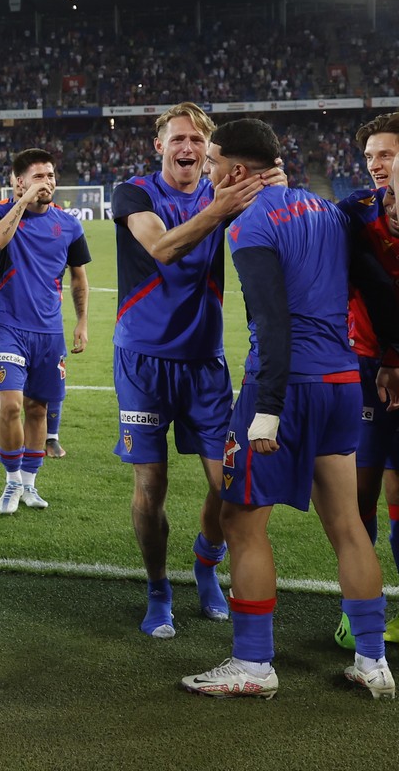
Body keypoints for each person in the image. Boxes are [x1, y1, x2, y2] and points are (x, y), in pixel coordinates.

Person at [181, 118, 393, 699]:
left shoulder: (251, 223)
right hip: (343, 382)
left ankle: (253, 665)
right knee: (348, 525)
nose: (208, 171)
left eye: (214, 163)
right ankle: (373, 662)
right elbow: (378, 290)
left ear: (239, 172)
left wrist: (266, 410)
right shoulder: (329, 211)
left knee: (239, 522)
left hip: (284, 387)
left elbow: (271, 322)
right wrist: (392, 357)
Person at [112, 102, 262, 638]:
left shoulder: (219, 193)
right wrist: (221, 209)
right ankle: (158, 590)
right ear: (160, 146)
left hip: (204, 362)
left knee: (228, 480)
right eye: (177, 139)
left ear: (209, 149)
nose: (187, 149)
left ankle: (205, 562)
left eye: (198, 140)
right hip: (143, 362)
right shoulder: (134, 193)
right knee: (150, 487)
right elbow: (161, 248)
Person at [0, 148, 90, 515]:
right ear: (19, 180)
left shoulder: (70, 225)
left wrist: (82, 321)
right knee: (11, 406)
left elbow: (78, 278)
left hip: (48, 332)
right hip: (8, 324)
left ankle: (29, 484)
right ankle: (11, 481)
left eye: (51, 176)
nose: (48, 182)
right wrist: (23, 201)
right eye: (39, 176)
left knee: (38, 409)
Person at [334, 111, 399, 648]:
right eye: (371, 155)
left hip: (395, 364)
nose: (377, 165)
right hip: (363, 363)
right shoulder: (355, 210)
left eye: (388, 154)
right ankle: (359, 608)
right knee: (360, 493)